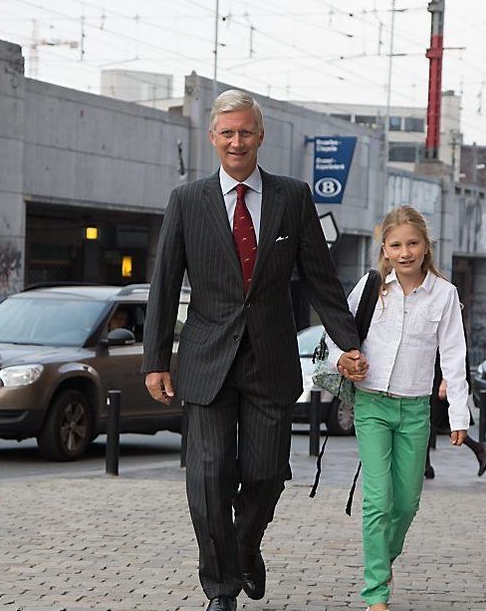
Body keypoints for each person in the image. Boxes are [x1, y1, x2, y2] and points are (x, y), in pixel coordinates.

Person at [142, 89, 366, 611]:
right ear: (213, 138)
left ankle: (244, 548)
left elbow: (320, 279)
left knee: (266, 473)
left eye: (245, 131)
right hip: (206, 359)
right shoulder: (187, 200)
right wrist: (156, 360)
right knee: (209, 474)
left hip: (270, 359)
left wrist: (348, 342)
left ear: (260, 136)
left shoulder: (292, 197)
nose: (237, 141)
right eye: (227, 133)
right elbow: (164, 283)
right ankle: (220, 589)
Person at [327, 205, 470, 611]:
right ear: (384, 250)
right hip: (371, 404)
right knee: (378, 498)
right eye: (395, 245)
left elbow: (455, 357)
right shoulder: (371, 288)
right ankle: (376, 594)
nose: (404, 252)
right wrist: (344, 359)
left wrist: (459, 416)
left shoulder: (445, 295)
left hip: (415, 410)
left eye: (412, 243)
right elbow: (339, 333)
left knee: (406, 503)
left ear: (426, 247)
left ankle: (381, 561)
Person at [424, 352, 486, 479]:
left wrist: (446, 380)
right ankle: (426, 466)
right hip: (434, 373)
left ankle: (480, 449)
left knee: (434, 420)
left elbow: (454, 350)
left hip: (442, 376)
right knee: (431, 419)